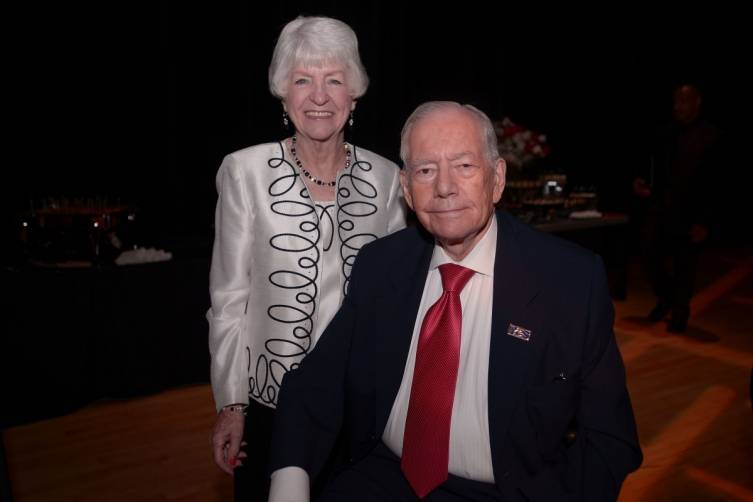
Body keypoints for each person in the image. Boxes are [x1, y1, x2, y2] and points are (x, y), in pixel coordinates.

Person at [268, 101, 642, 501]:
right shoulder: (382, 265)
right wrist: (289, 482)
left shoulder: (569, 281)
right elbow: (315, 383)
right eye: (426, 170)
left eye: (464, 166)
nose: (444, 187)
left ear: (497, 179)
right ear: (407, 189)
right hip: (382, 477)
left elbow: (609, 439)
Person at [207, 16, 406, 501]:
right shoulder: (244, 172)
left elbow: (397, 305)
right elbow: (228, 299)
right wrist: (231, 404)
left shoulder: (387, 181)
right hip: (268, 405)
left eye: (333, 80)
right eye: (303, 80)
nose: (319, 96)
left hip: (357, 407)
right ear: (283, 93)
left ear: (353, 95)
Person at [633, 83, 722, 332]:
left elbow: (716, 183)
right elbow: (654, 167)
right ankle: (666, 297)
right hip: (661, 207)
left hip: (692, 212)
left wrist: (705, 221)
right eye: (675, 102)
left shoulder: (710, 136)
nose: (677, 107)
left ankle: (680, 312)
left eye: (683, 102)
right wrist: (644, 183)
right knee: (648, 253)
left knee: (686, 264)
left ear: (697, 103)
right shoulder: (666, 133)